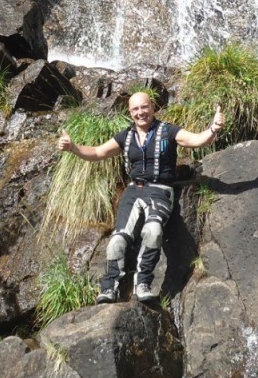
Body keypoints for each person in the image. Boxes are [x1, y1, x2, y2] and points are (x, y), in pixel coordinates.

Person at [58, 91, 225, 303]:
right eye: (135, 109)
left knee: (153, 231)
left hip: (160, 190)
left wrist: (213, 129)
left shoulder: (168, 131)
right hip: (133, 191)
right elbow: (98, 153)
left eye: (144, 107)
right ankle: (109, 287)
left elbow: (197, 140)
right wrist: (73, 147)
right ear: (130, 112)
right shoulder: (125, 136)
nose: (140, 113)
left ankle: (143, 283)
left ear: (153, 107)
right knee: (117, 241)